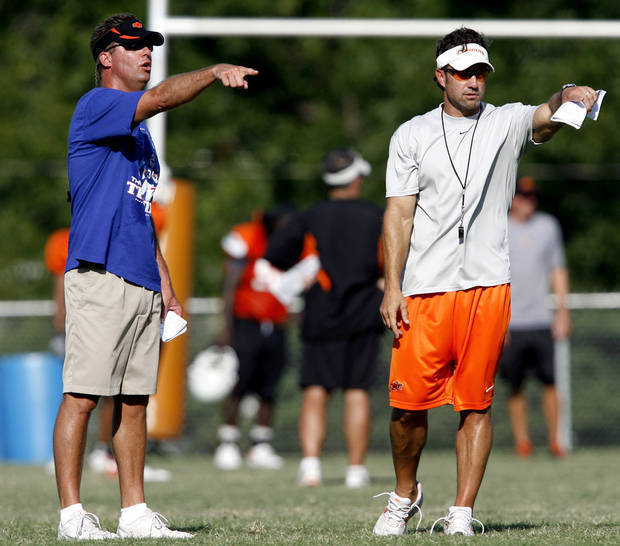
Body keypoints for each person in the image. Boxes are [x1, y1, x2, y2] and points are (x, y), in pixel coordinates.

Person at [374, 27, 599, 536]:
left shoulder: (507, 121)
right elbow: (398, 216)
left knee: (476, 403)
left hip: (487, 285)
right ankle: (405, 495)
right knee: (407, 406)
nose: (473, 82)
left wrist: (570, 94)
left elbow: (546, 115)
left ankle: (461, 512)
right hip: (425, 288)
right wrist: (393, 287)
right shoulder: (411, 134)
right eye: (462, 72)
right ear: (441, 76)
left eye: (480, 72)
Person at [53, 12, 257, 540]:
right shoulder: (98, 105)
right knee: (81, 395)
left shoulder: (140, 139)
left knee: (135, 402)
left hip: (140, 278)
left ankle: (134, 513)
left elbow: (139, 215)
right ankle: (72, 517)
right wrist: (212, 71)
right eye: (134, 46)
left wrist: (164, 281)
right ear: (106, 57)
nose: (146, 53)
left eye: (149, 45)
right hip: (99, 275)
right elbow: (164, 97)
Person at [264, 149, 384, 488]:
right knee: (357, 390)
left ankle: (311, 466)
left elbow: (275, 255)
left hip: (320, 312)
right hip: (365, 311)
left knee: (316, 390)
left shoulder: (310, 216)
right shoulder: (376, 215)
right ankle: (356, 470)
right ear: (356, 178)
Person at [44, 227, 171, 482]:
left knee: (120, 392)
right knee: (82, 393)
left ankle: (102, 450)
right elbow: (61, 281)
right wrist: (60, 326)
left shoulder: (138, 215)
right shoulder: (68, 238)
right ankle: (82, 458)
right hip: (93, 309)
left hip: (130, 292)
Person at [213, 206, 295, 470]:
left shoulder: (292, 244)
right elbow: (230, 284)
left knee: (269, 386)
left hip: (276, 322)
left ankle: (261, 443)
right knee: (240, 382)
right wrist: (226, 325)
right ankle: (228, 441)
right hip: (246, 321)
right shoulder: (247, 238)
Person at [500, 175, 571, 458]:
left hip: (541, 320)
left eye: (532, 197)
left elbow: (558, 270)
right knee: (515, 385)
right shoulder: (499, 228)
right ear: (512, 199)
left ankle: (556, 440)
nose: (528, 202)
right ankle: (523, 442)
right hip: (510, 322)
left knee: (550, 383)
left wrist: (563, 311)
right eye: (522, 197)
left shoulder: (548, 226)